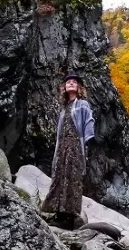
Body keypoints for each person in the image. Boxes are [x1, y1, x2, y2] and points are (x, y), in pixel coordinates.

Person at [40, 73, 96, 229]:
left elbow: (89, 121)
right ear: (64, 87)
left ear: (78, 87)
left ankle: (69, 217)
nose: (70, 83)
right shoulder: (64, 107)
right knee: (59, 176)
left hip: (75, 145)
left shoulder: (82, 104)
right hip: (62, 146)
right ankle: (58, 212)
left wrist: (86, 142)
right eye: (68, 82)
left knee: (72, 178)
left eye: (74, 82)